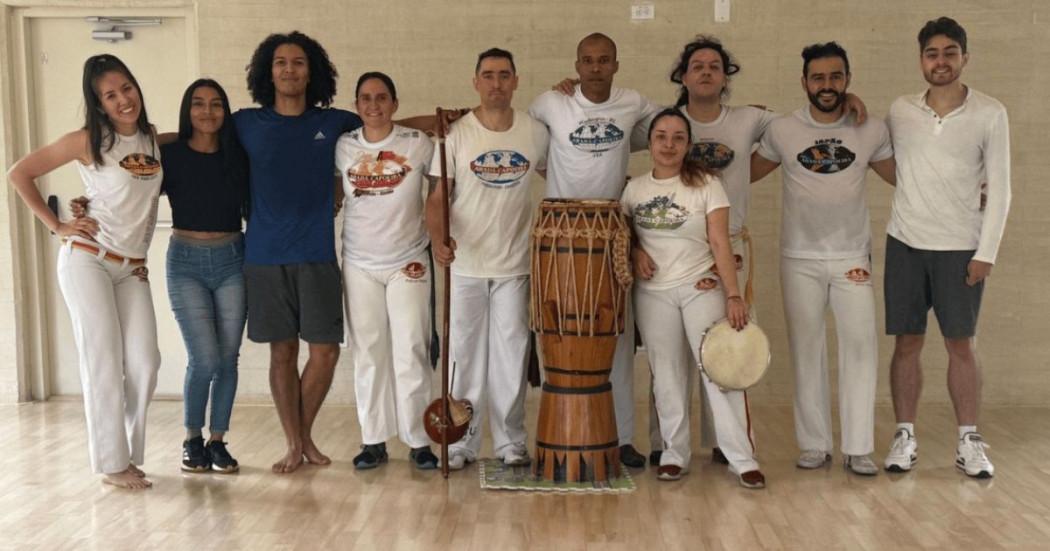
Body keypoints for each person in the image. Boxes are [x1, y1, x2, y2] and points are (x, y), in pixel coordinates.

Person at [8, 54, 162, 489]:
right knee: (103, 360)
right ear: (99, 104)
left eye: (126, 88)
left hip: (132, 269)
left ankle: (128, 454)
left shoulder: (151, 138)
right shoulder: (87, 141)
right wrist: (57, 224)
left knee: (146, 362)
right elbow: (19, 173)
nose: (123, 100)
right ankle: (112, 464)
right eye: (110, 96)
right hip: (87, 260)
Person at [751, 42, 895, 475]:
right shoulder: (782, 130)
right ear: (804, 83)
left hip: (852, 257)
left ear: (847, 79)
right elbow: (742, 171)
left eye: (835, 77)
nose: (827, 85)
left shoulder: (871, 129)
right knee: (806, 349)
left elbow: (906, 179)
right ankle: (814, 444)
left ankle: (859, 447)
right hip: (799, 259)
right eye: (818, 77)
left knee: (860, 347)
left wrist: (970, 191)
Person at [883, 17, 1010, 479]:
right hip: (905, 244)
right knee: (907, 342)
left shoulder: (990, 113)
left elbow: (1001, 188)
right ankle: (904, 435)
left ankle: (969, 440)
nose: (941, 61)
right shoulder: (899, 110)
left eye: (950, 52)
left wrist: (986, 252)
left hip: (961, 249)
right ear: (921, 59)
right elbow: (877, 155)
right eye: (932, 53)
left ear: (964, 58)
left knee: (961, 344)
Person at [528, 33, 661, 468]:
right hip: (560, 234)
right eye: (588, 60)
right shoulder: (551, 102)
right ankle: (560, 432)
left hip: (610, 231)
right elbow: (527, 139)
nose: (596, 67)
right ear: (577, 64)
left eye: (604, 60)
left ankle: (620, 437)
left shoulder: (633, 101)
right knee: (562, 337)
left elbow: (673, 124)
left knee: (616, 339)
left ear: (616, 64)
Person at [235, 31, 362, 474]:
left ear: (313, 72)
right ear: (267, 72)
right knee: (282, 353)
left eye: (299, 62)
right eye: (281, 63)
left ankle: (301, 436)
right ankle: (296, 442)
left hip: (317, 253)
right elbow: (195, 139)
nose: (290, 70)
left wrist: (458, 120)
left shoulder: (334, 122)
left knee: (325, 352)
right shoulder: (246, 123)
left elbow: (390, 124)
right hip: (265, 256)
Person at [622, 108, 764, 488]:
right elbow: (625, 237)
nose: (669, 144)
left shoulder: (706, 184)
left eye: (678, 138)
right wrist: (636, 251)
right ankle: (674, 453)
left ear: (688, 144)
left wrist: (733, 294)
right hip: (654, 294)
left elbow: (720, 241)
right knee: (666, 375)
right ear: (650, 142)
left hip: (701, 286)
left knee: (720, 370)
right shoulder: (634, 189)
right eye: (661, 137)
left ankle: (742, 457)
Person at [426, 48, 549, 470]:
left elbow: (562, 175)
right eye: (488, 75)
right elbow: (438, 197)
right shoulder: (457, 134)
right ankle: (461, 440)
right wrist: (439, 237)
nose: (496, 83)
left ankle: (511, 441)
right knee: (464, 356)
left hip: (515, 264)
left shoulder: (535, 132)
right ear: (475, 82)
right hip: (466, 264)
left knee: (512, 354)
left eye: (504, 75)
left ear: (516, 81)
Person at [336, 72, 438, 471]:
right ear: (356, 105)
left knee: (412, 348)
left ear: (395, 103)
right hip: (360, 262)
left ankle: (418, 440)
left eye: (381, 98)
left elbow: (441, 191)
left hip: (408, 259)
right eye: (365, 98)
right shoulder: (344, 147)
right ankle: (373, 440)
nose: (373, 105)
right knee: (369, 353)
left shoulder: (418, 144)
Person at [162, 79, 249, 473]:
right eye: (198, 104)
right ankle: (191, 438)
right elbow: (131, 188)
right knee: (205, 357)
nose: (208, 112)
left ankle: (217, 441)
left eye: (216, 104)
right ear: (188, 110)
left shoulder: (238, 154)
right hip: (185, 263)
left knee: (228, 357)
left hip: (233, 258)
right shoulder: (170, 155)